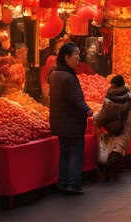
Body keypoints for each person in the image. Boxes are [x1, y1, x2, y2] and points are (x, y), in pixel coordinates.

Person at [49, 42, 93, 194]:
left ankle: (63, 183)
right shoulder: (68, 78)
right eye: (77, 55)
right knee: (75, 153)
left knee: (65, 153)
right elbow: (77, 100)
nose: (78, 59)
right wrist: (88, 110)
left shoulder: (54, 74)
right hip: (72, 122)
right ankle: (73, 184)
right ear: (67, 57)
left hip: (60, 122)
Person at [93, 75, 131, 181]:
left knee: (109, 145)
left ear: (113, 85)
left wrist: (94, 119)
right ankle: (115, 164)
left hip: (112, 126)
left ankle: (108, 170)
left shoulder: (110, 99)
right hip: (124, 123)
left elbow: (104, 113)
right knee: (119, 144)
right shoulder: (127, 96)